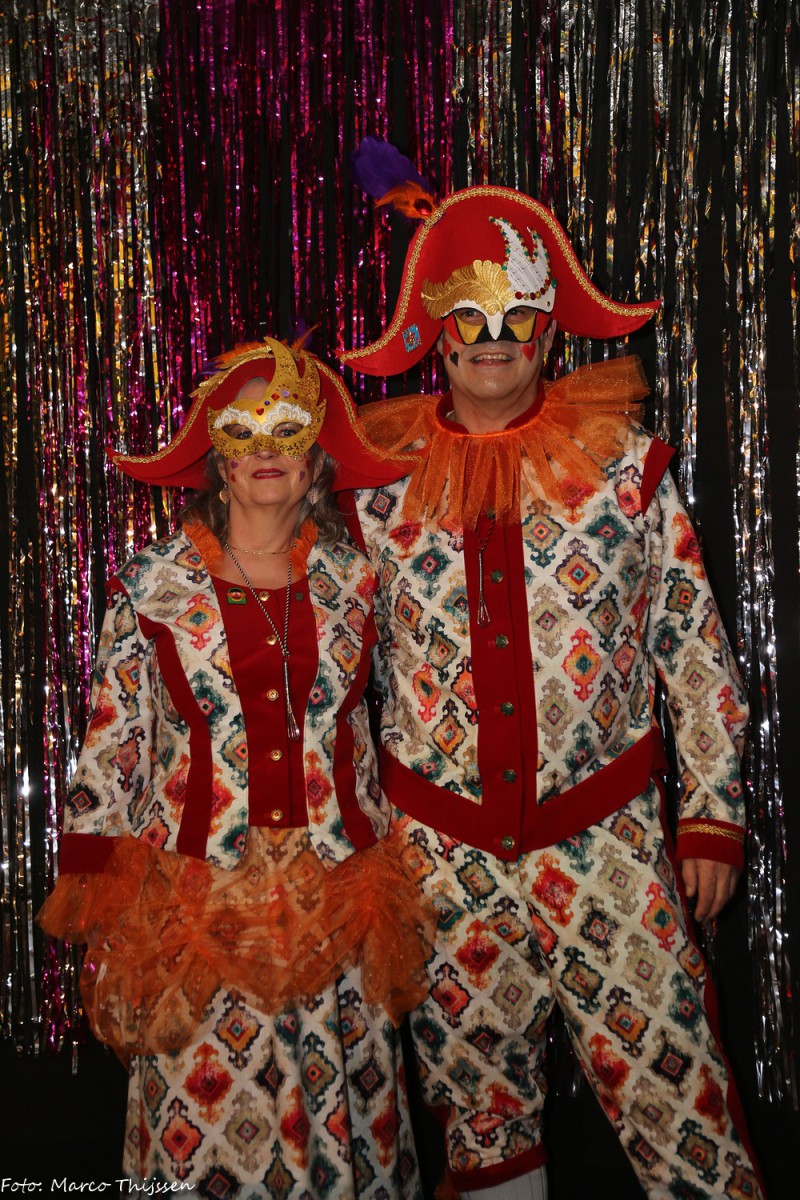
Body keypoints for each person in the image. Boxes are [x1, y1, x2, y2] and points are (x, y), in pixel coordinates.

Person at [338, 185, 766, 1199]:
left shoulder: (624, 469)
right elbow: (329, 672)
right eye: (469, 318)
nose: (493, 340)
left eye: (516, 317)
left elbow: (692, 649)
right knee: (479, 1120)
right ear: (434, 334)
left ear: (547, 330)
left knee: (681, 1105)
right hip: (440, 860)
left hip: (604, 840)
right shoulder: (375, 487)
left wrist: (711, 814)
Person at [38, 338, 433, 1198]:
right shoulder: (154, 584)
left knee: (346, 1129)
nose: (264, 449)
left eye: (287, 431)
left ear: (315, 461)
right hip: (197, 906)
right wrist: (99, 895)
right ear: (218, 459)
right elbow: (113, 743)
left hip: (336, 902)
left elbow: (401, 723)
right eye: (243, 433)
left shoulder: (357, 584)